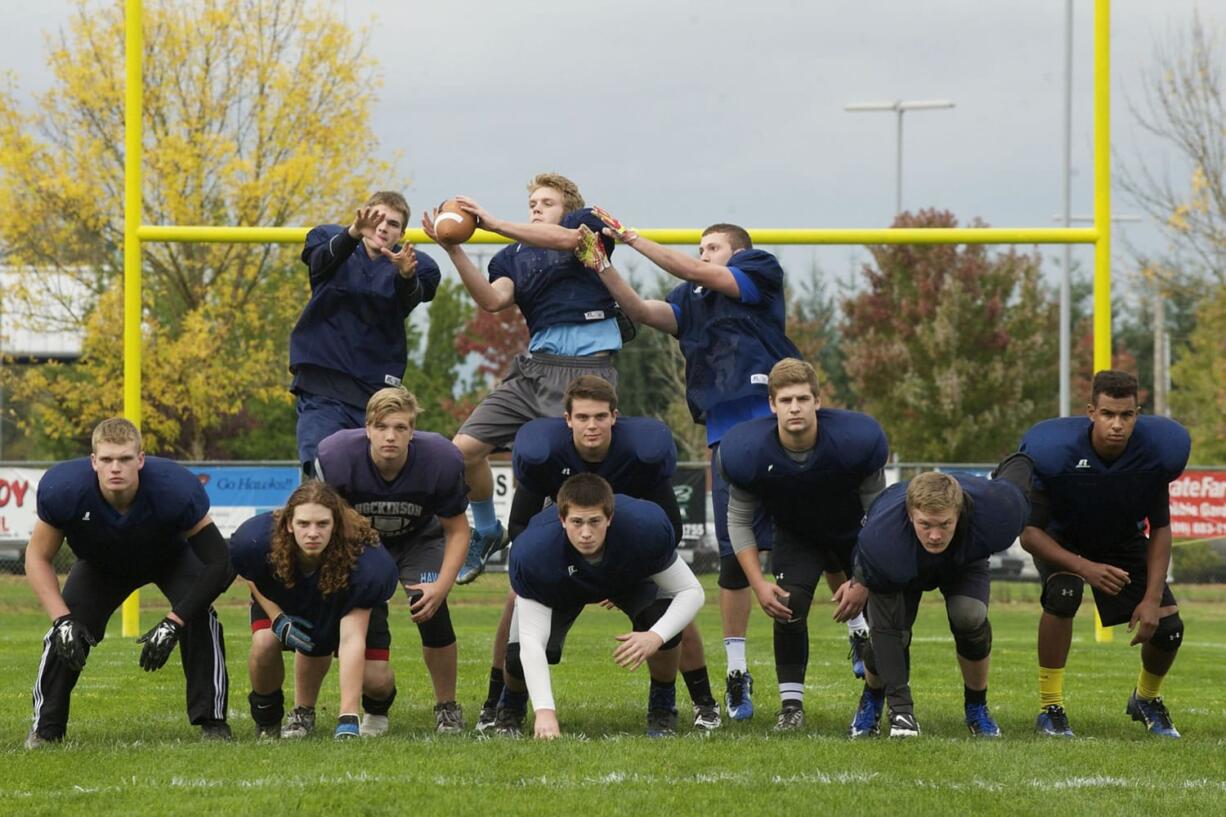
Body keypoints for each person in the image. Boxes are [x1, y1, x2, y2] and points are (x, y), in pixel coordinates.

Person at [588, 212, 868, 721]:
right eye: (699, 246)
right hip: (725, 434)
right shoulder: (692, 300)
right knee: (734, 554)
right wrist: (603, 264)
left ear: (739, 253)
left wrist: (632, 238)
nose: (701, 253)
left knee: (823, 530)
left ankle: (859, 631)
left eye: (711, 246)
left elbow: (701, 274)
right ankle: (737, 670)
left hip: (775, 425)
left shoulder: (758, 269)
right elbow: (643, 311)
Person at [472, 375, 721, 733]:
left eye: (600, 417)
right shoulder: (544, 455)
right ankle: (502, 704)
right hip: (559, 554)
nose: (592, 425)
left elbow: (670, 531)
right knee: (517, 603)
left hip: (627, 553)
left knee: (667, 610)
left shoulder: (641, 455)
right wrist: (568, 568)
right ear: (567, 420)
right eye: (584, 417)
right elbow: (521, 528)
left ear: (614, 417)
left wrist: (618, 569)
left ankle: (691, 703)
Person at [421, 173, 622, 584]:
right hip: (535, 368)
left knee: (570, 479)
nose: (535, 208)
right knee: (459, 453)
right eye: (532, 203)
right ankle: (487, 529)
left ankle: (593, 566)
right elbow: (493, 300)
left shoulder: (582, 223)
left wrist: (491, 224)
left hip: (586, 374)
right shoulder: (512, 253)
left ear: (568, 207)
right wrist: (455, 250)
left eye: (546, 202)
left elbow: (572, 243)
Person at [25, 418, 232, 747]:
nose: (115, 468)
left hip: (170, 559)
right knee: (66, 630)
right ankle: (45, 728)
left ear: (141, 459)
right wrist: (61, 619)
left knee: (199, 615)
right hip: (101, 566)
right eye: (106, 460)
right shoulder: (64, 489)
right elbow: (37, 558)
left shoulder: (174, 488)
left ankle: (214, 721)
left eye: (124, 458)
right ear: (93, 461)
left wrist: (174, 622)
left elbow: (220, 561)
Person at [716, 358, 888, 730]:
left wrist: (863, 578)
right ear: (772, 405)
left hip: (856, 533)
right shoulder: (748, 449)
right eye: (787, 400)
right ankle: (791, 707)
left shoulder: (855, 440)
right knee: (787, 605)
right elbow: (739, 521)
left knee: (885, 610)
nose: (795, 407)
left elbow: (880, 515)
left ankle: (876, 700)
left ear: (817, 402)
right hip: (797, 534)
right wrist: (758, 583)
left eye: (802, 398)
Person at [1019, 370, 1190, 738]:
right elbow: (1030, 533)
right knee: (1064, 593)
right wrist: (1085, 568)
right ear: (1091, 412)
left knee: (1169, 628)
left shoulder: (1155, 454)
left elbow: (1160, 528)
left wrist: (1150, 599)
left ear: (1137, 415)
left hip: (1120, 539)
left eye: (1126, 415)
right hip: (1061, 539)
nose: (1117, 425)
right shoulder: (1055, 452)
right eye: (1109, 414)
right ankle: (1050, 707)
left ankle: (1146, 698)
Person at [834, 457, 1033, 739]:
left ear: (960, 512)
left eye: (944, 524)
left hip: (964, 560)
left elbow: (1019, 470)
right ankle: (873, 696)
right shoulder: (883, 539)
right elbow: (886, 632)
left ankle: (977, 706)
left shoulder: (1000, 511)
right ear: (910, 513)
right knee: (891, 634)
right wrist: (902, 712)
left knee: (970, 616)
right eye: (925, 524)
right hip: (902, 562)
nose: (936, 535)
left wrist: (1025, 455)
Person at [496, 474, 704, 739]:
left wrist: (655, 636)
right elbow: (531, 641)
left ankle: (662, 706)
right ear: (561, 520)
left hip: (625, 578)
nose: (585, 533)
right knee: (516, 656)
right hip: (561, 587)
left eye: (595, 521)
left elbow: (691, 591)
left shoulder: (643, 529)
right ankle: (511, 706)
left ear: (610, 518)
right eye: (576, 522)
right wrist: (545, 711)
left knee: (663, 621)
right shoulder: (535, 552)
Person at [314, 387, 470, 733]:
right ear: (367, 428)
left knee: (428, 604)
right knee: (360, 608)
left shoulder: (439, 461)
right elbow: (321, 521)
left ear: (412, 432)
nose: (390, 436)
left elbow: (458, 530)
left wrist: (442, 586)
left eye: (400, 428)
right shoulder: (337, 456)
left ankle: (447, 706)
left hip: (420, 540)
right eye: (382, 426)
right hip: (364, 543)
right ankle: (362, 704)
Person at [230, 482, 399, 740]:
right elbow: (251, 573)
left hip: (343, 595)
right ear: (288, 524)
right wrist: (276, 617)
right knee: (264, 642)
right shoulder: (257, 540)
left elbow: (351, 638)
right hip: (282, 593)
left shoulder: (365, 560)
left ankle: (376, 710)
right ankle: (271, 718)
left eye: (322, 524)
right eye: (303, 524)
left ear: (336, 525)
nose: (312, 533)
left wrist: (348, 717)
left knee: (375, 679)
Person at [290, 191, 441, 476]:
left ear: (402, 233)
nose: (384, 227)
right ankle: (313, 519)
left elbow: (408, 299)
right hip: (323, 383)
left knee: (369, 477)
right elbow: (320, 262)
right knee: (321, 471)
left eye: (393, 224)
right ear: (362, 217)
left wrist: (407, 277)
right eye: (377, 218)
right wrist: (352, 234)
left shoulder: (415, 265)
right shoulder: (330, 241)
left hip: (375, 393)